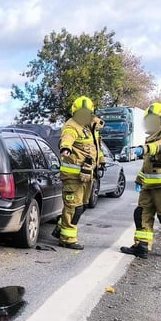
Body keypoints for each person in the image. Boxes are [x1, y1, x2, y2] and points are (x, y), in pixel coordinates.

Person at [120, 103, 161, 259]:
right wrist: (139, 179)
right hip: (149, 186)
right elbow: (148, 165)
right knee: (142, 214)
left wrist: (145, 148)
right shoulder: (151, 136)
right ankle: (142, 245)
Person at [53, 96, 97, 250]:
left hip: (85, 176)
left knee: (82, 206)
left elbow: (92, 147)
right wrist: (66, 148)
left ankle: (60, 228)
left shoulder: (87, 128)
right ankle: (67, 239)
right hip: (72, 178)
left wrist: (101, 161)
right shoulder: (71, 126)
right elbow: (67, 138)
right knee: (73, 207)